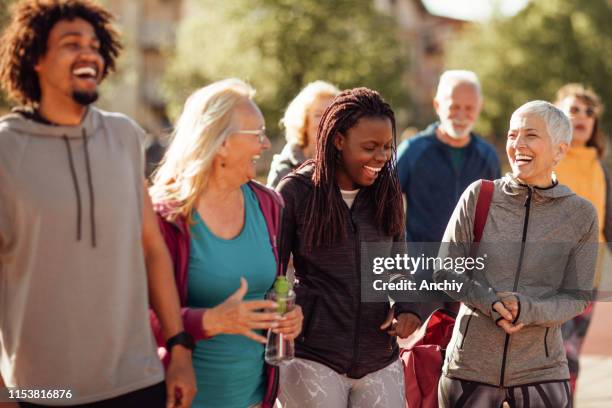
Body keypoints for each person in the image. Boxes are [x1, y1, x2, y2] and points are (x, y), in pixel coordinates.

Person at [0, 1, 195, 407]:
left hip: (135, 379)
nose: (88, 52)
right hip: (40, 388)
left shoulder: (124, 136)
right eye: (71, 43)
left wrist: (179, 348)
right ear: (36, 58)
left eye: (94, 44)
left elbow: (152, 248)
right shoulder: (6, 148)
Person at [149, 78, 303, 408]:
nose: (265, 145)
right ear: (219, 143)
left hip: (254, 398)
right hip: (181, 398)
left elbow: (273, 289)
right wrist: (208, 321)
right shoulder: (164, 214)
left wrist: (289, 315)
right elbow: (134, 316)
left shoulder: (269, 204)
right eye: (256, 134)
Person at [434, 101, 598, 407]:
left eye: (531, 135)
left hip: (543, 371)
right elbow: (445, 270)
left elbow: (577, 295)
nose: (517, 144)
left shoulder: (581, 214)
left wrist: (526, 308)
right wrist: (491, 302)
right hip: (470, 367)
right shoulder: (478, 196)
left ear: (559, 151)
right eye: (512, 135)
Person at [277, 87, 421, 407]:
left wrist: (408, 306)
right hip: (313, 356)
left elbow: (398, 264)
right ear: (338, 141)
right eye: (369, 147)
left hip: (379, 357)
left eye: (386, 147)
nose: (381, 157)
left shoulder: (388, 193)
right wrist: (287, 310)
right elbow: (272, 269)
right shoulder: (297, 191)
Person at [396, 69, 500, 316]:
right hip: (421, 274)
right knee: (419, 351)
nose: (461, 116)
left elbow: (498, 215)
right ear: (437, 105)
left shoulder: (487, 156)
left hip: (469, 276)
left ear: (479, 107)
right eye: (454, 107)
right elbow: (384, 203)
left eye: (469, 108)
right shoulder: (413, 150)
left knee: (462, 351)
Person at [554, 83, 612, 395]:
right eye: (573, 109)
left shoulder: (599, 167)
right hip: (551, 276)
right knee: (555, 351)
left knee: (573, 351)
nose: (581, 116)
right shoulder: (549, 159)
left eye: (588, 112)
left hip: (590, 275)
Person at [267, 80, 339, 188]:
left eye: (331, 114)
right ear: (304, 119)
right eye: (318, 115)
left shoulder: (347, 162)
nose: (325, 121)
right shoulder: (284, 167)